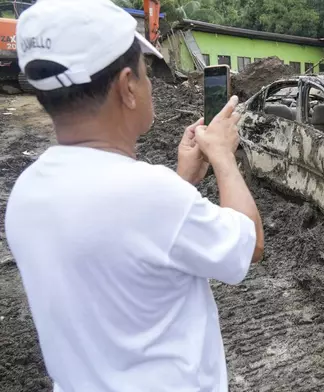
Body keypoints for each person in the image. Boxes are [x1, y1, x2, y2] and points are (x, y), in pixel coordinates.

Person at [5, 1, 264, 391]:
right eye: (145, 75)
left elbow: (127, 237)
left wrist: (182, 180)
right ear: (127, 86)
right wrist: (223, 156)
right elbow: (249, 244)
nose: (149, 86)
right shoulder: (152, 196)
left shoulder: (27, 191)